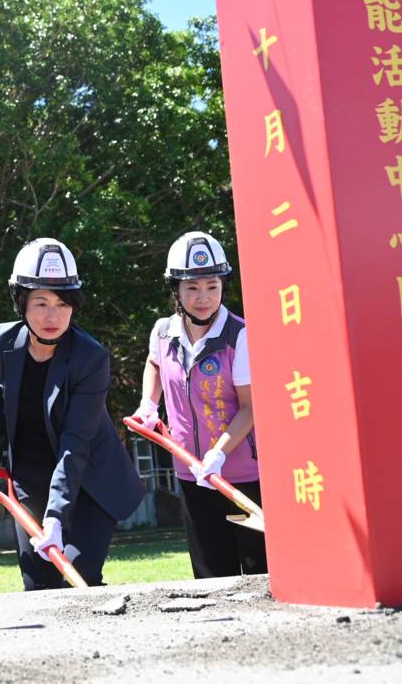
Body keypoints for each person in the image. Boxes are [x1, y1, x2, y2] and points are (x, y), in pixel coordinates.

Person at [0, 238, 144, 590]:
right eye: (41, 303)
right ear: (21, 302)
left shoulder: (90, 358)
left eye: (63, 304)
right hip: (29, 480)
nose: (53, 316)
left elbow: (75, 443)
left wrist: (55, 516)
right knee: (38, 585)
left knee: (79, 577)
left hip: (88, 483)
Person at [133, 231, 266, 578]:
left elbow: (251, 408)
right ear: (175, 289)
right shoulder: (163, 332)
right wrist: (149, 404)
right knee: (210, 576)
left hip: (242, 477)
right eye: (192, 287)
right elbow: (154, 362)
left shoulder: (239, 336)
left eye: (212, 285)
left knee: (258, 574)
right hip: (192, 475)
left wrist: (219, 454)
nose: (203, 297)